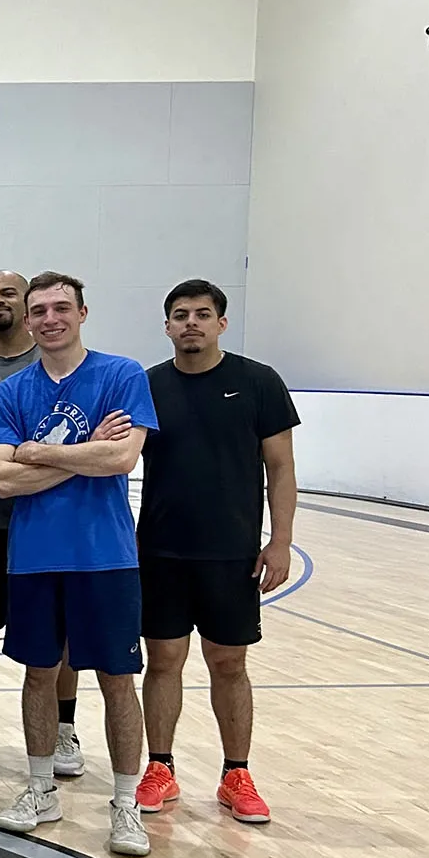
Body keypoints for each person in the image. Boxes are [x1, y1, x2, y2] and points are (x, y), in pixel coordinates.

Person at [0, 271, 156, 857]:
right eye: (39, 310)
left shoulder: (121, 374)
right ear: (28, 321)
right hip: (32, 559)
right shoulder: (11, 393)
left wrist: (41, 451)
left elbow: (123, 457)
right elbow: (4, 481)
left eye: (61, 307)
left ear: (82, 312)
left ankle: (127, 804)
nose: (50, 318)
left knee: (116, 680)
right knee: (37, 674)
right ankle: (40, 789)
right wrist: (85, 454)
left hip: (105, 557)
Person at [137, 280, 298, 824]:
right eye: (180, 315)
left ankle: (237, 773)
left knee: (229, 663)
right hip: (160, 550)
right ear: (166, 326)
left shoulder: (258, 382)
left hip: (232, 553)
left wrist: (279, 540)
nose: (191, 323)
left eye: (202, 314)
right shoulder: (148, 386)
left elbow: (280, 468)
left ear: (221, 324)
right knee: (163, 662)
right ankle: (160, 767)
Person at [0, 271, 86, 776]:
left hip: (50, 521)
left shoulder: (58, 366)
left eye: (7, 294)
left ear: (28, 307)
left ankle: (64, 727)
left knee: (61, 630)